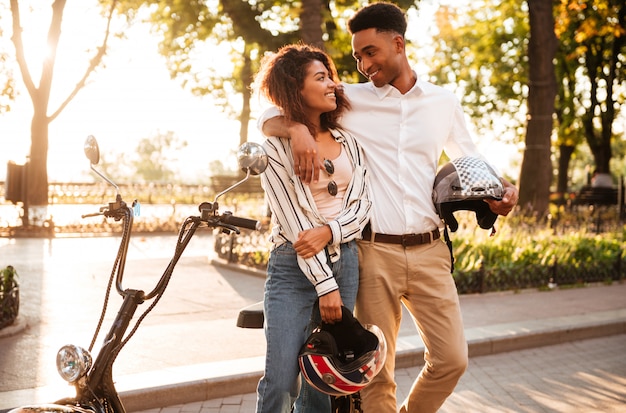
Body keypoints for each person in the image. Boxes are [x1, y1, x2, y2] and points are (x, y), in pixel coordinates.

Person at [259, 3, 519, 413]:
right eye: (357, 56)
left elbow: (472, 160)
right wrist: (295, 130)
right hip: (373, 251)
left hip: (431, 249)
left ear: (397, 44)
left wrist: (503, 189)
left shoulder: (443, 102)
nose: (362, 64)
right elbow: (277, 107)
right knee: (377, 377)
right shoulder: (350, 101)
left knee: (453, 359)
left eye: (369, 52)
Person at [253, 44, 371, 413]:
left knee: (324, 380)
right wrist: (326, 285)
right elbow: (296, 225)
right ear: (295, 88)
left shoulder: (349, 143)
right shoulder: (273, 148)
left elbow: (363, 205)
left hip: (345, 259)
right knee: (281, 381)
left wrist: (332, 232)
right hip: (293, 268)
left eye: (330, 76)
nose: (333, 84)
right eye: (321, 78)